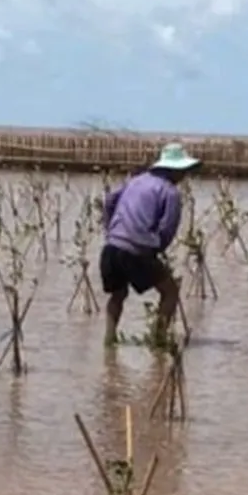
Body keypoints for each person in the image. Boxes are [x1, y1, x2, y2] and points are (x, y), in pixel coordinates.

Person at [100, 142, 201, 347]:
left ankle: (108, 341)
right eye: (182, 171)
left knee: (118, 295)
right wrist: (155, 249)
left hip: (111, 247)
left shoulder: (136, 181)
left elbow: (109, 201)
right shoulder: (170, 192)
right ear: (174, 171)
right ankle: (159, 340)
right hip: (136, 250)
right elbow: (167, 228)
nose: (184, 176)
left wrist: (111, 229)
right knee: (170, 291)